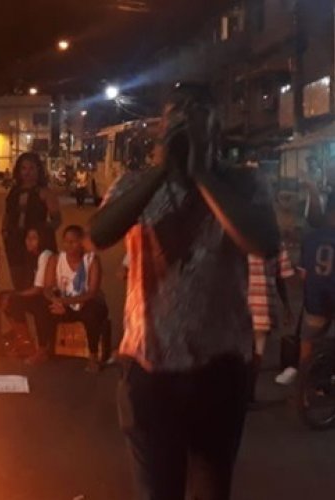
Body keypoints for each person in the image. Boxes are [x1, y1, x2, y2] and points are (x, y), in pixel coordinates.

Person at [89, 84, 280, 499]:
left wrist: (202, 173)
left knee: (212, 489)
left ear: (217, 130)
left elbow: (264, 242)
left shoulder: (243, 183)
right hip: (149, 366)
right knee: (158, 491)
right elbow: (100, 233)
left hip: (220, 367)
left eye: (197, 118)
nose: (184, 128)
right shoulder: (135, 184)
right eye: (176, 119)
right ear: (161, 129)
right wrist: (161, 170)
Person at [38, 225, 110, 371]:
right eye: (66, 242)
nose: (69, 245)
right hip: (63, 303)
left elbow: (92, 292)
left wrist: (64, 302)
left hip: (85, 304)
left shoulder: (92, 261)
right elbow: (47, 287)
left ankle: (93, 356)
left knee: (92, 313)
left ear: (81, 243)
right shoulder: (55, 259)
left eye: (73, 242)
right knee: (41, 307)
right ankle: (43, 349)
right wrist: (55, 301)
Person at [2, 152, 61, 291]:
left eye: (31, 168)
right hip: (14, 241)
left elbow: (57, 219)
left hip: (36, 244)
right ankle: (21, 306)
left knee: (37, 280)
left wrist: (41, 235)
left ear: (38, 170)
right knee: (18, 278)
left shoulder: (45, 192)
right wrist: (4, 232)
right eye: (24, 168)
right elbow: (7, 214)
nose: (27, 172)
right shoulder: (14, 192)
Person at [246, 245, 295, 404]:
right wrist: (287, 305)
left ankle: (237, 392)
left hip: (239, 305)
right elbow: (281, 277)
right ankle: (249, 395)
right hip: (263, 306)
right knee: (257, 354)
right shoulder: (274, 241)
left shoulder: (237, 235)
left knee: (241, 354)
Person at [294, 193, 335, 374]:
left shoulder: (310, 238)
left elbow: (302, 275)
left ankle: (299, 396)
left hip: (315, 303)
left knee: (307, 350)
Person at [3, 227, 55, 357]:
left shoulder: (46, 255)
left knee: (16, 300)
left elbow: (38, 288)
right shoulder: (32, 255)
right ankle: (24, 339)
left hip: (49, 296)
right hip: (39, 294)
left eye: (34, 238)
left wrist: (16, 294)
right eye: (27, 238)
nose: (29, 242)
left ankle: (39, 347)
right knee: (6, 298)